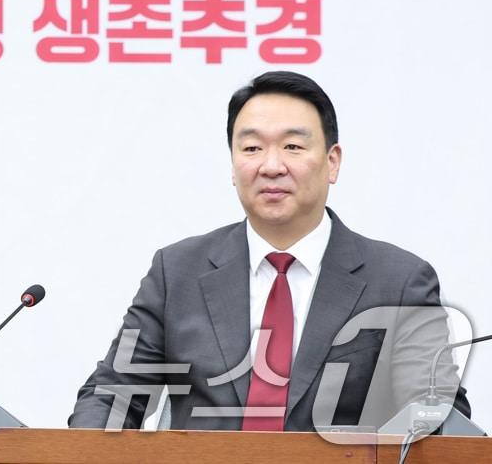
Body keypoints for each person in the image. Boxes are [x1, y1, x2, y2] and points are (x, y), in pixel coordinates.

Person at [69, 71, 469, 431]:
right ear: (232, 165)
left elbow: (438, 414)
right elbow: (111, 395)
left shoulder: (398, 281)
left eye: (293, 147)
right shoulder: (176, 273)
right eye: (252, 149)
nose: (271, 165)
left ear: (332, 162)